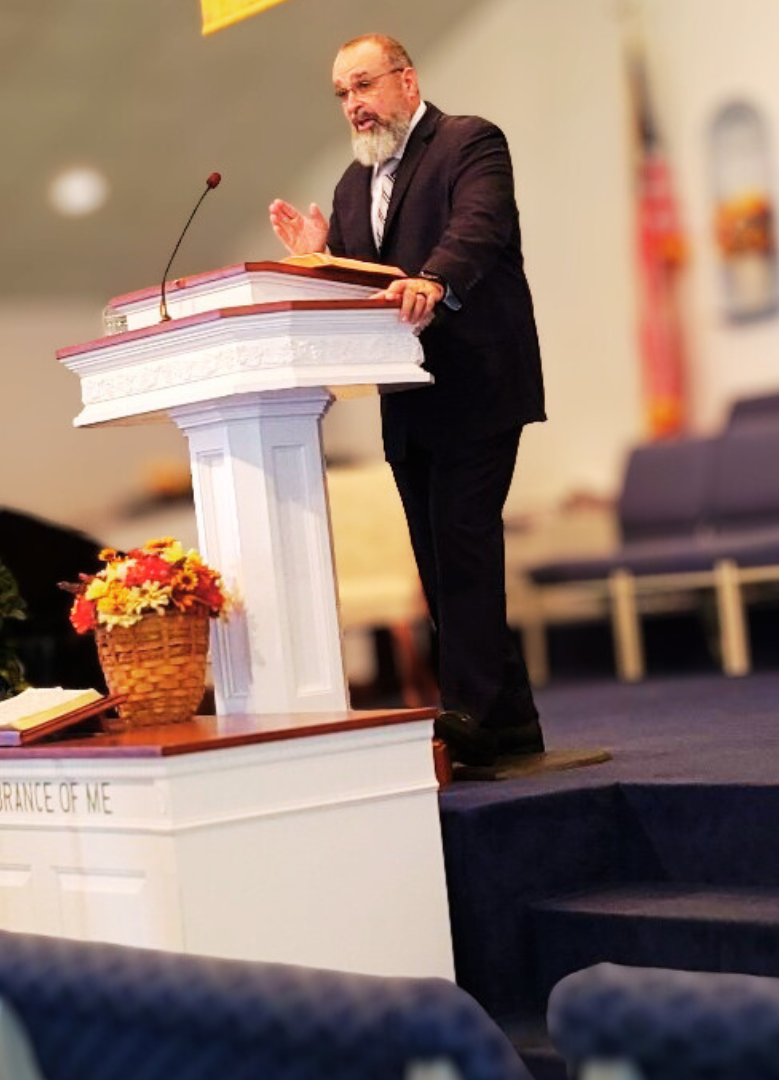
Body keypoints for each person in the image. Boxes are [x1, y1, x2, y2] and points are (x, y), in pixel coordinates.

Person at [268, 33, 546, 766]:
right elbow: (369, 287)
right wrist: (321, 262)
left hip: (479, 383)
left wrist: (435, 278)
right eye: (342, 96)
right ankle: (510, 719)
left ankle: (471, 713)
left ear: (407, 80)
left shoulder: (469, 143)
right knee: (437, 560)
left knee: (463, 543)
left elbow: (476, 232)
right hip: (410, 399)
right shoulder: (351, 188)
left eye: (363, 86)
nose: (354, 106)